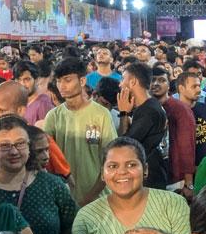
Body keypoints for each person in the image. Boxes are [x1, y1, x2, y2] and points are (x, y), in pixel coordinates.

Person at [43, 57, 117, 206]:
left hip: (98, 198)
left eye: (67, 80)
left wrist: (89, 199)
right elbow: (47, 158)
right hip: (63, 198)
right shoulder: (53, 116)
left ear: (82, 81)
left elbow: (111, 159)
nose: (61, 86)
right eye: (58, 81)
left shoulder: (101, 114)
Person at [117, 61, 169, 191]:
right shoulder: (147, 107)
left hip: (150, 180)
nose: (120, 84)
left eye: (123, 79)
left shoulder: (149, 110)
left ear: (133, 81)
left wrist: (123, 113)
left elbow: (125, 145)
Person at [152, 66, 195, 195]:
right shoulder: (145, 107)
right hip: (153, 175)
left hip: (176, 177)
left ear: (169, 85)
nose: (156, 84)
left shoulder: (180, 109)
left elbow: (187, 145)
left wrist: (189, 183)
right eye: (153, 80)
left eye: (161, 80)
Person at [12, 59, 54, 125]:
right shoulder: (17, 101)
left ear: (36, 80)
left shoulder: (43, 104)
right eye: (18, 80)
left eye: (27, 79)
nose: (22, 84)